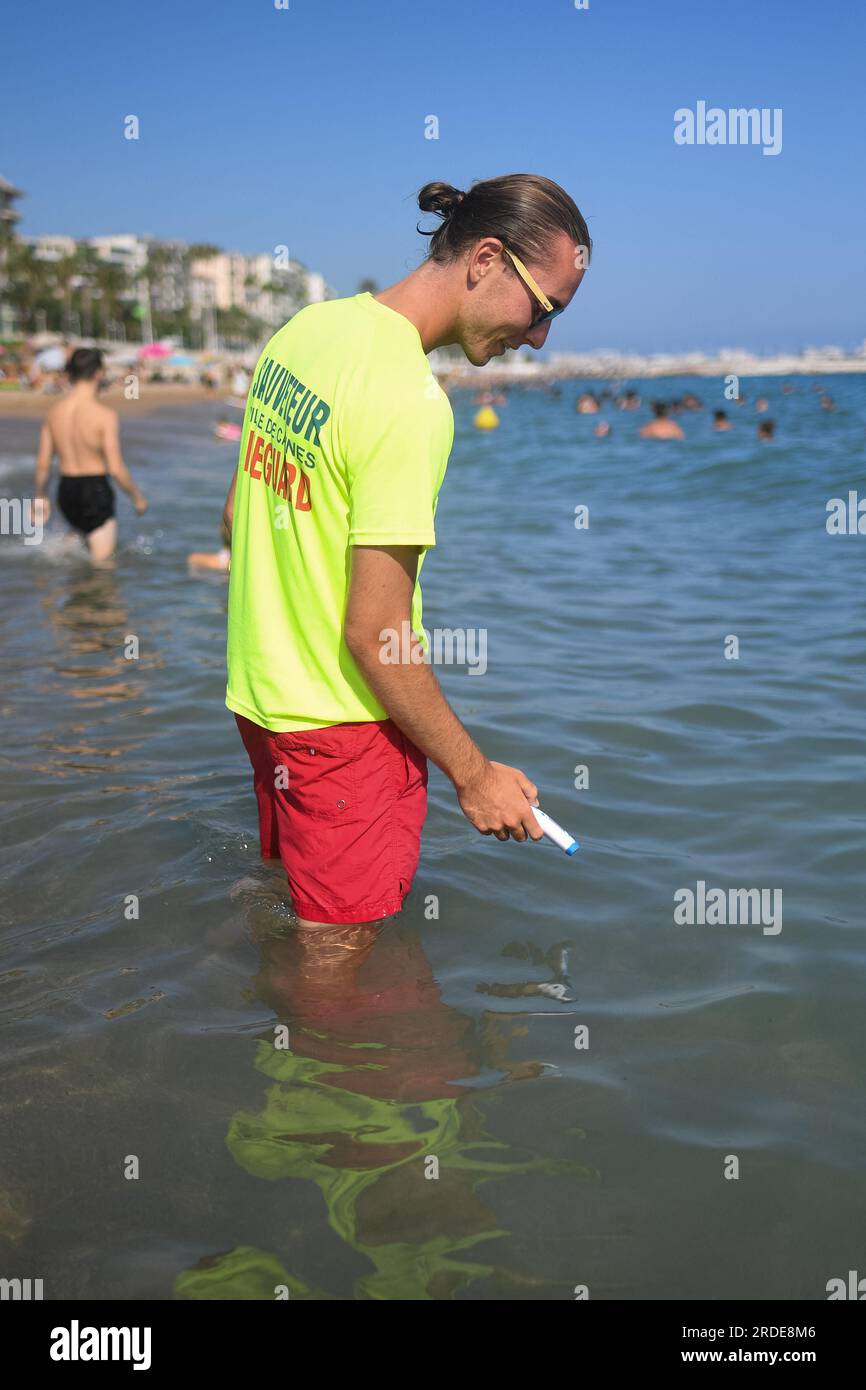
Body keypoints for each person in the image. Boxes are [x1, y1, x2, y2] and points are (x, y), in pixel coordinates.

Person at [225, 173, 590, 930]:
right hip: (343, 733)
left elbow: (236, 518)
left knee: (285, 910)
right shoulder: (409, 400)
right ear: (486, 258)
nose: (539, 337)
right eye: (543, 307)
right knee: (343, 971)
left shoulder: (308, 329)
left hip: (260, 702)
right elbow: (373, 632)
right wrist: (476, 775)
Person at [34, 347, 147, 562]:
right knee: (102, 567)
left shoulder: (53, 413)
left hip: (65, 490)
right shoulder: (105, 416)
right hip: (94, 490)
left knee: (79, 544)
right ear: (98, 373)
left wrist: (40, 496)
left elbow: (43, 463)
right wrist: (137, 497)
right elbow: (115, 468)